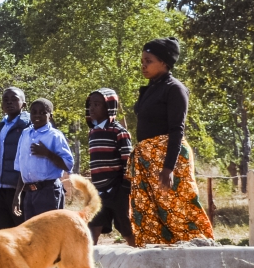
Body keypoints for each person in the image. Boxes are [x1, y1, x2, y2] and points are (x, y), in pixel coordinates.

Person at [129, 38, 213, 245]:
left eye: (148, 61)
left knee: (179, 208)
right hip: (148, 160)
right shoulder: (151, 88)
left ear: (164, 62)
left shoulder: (175, 89)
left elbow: (177, 130)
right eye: (142, 60)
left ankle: (198, 248)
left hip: (167, 159)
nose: (143, 65)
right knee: (151, 209)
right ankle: (157, 252)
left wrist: (168, 168)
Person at [86, 89, 134, 244]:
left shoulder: (119, 132)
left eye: (97, 104)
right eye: (90, 104)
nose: (92, 108)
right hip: (99, 189)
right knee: (93, 226)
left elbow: (128, 160)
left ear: (109, 107)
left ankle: (139, 256)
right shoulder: (93, 132)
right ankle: (92, 262)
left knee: (125, 225)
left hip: (117, 189)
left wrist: (125, 186)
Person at [14, 99, 74, 221]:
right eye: (34, 112)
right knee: (32, 235)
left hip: (48, 192)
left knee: (49, 233)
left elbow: (68, 164)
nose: (37, 115)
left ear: (50, 116)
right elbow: (22, 168)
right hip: (30, 193)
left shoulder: (54, 136)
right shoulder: (25, 134)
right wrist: (17, 195)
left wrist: (47, 153)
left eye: (42, 112)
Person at [0, 88, 30, 231]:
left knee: (22, 233)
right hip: (1, 189)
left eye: (14, 99)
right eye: (6, 99)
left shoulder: (29, 125)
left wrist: (20, 190)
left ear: (23, 104)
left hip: (20, 189)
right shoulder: (0, 127)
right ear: (1, 105)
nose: (9, 102)